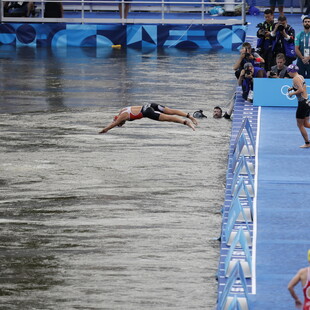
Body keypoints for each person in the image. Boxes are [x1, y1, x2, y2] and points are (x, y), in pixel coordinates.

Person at [99, 103, 198, 134]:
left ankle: (187, 122)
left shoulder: (122, 117)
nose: (121, 124)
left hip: (147, 112)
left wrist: (103, 130)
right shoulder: (123, 110)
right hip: (149, 105)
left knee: (169, 118)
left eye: (120, 124)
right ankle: (190, 116)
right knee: (171, 110)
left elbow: (112, 125)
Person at [287, 64, 310, 148]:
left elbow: (300, 89)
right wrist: (292, 88)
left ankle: (307, 143)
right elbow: (301, 85)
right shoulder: (300, 76)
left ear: (292, 71)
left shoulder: (295, 79)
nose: (288, 73)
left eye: (288, 72)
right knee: (306, 124)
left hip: (302, 104)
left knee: (300, 125)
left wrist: (292, 93)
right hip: (307, 102)